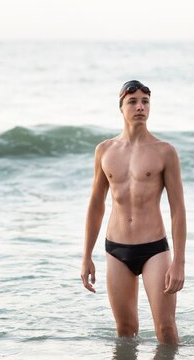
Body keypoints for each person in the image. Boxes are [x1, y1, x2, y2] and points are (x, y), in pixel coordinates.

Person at [80, 80, 186, 345]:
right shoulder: (104, 151)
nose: (140, 107)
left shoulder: (165, 152)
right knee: (125, 331)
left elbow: (178, 210)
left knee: (166, 330)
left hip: (154, 250)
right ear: (121, 107)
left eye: (145, 102)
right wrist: (86, 256)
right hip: (116, 249)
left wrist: (179, 262)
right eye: (133, 101)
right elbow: (96, 204)